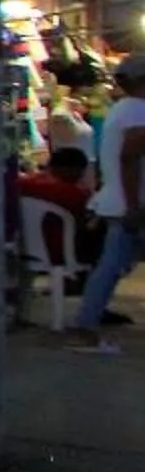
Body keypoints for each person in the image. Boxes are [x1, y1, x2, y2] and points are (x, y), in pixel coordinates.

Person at [65, 55, 145, 352]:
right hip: (131, 203)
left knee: (110, 266)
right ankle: (85, 325)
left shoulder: (122, 110)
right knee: (110, 266)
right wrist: (134, 204)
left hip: (119, 201)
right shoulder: (138, 111)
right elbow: (129, 159)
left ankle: (85, 323)